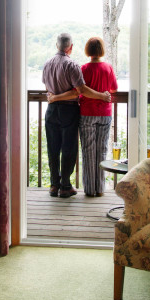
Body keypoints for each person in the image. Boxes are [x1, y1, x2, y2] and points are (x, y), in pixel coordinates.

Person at [42, 33, 111, 198]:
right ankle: (65, 186)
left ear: (57, 46)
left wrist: (54, 97)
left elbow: (47, 88)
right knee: (68, 148)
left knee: (53, 148)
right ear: (70, 47)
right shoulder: (71, 64)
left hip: (51, 111)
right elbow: (81, 90)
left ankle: (53, 185)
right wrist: (102, 96)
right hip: (68, 111)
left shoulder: (47, 63)